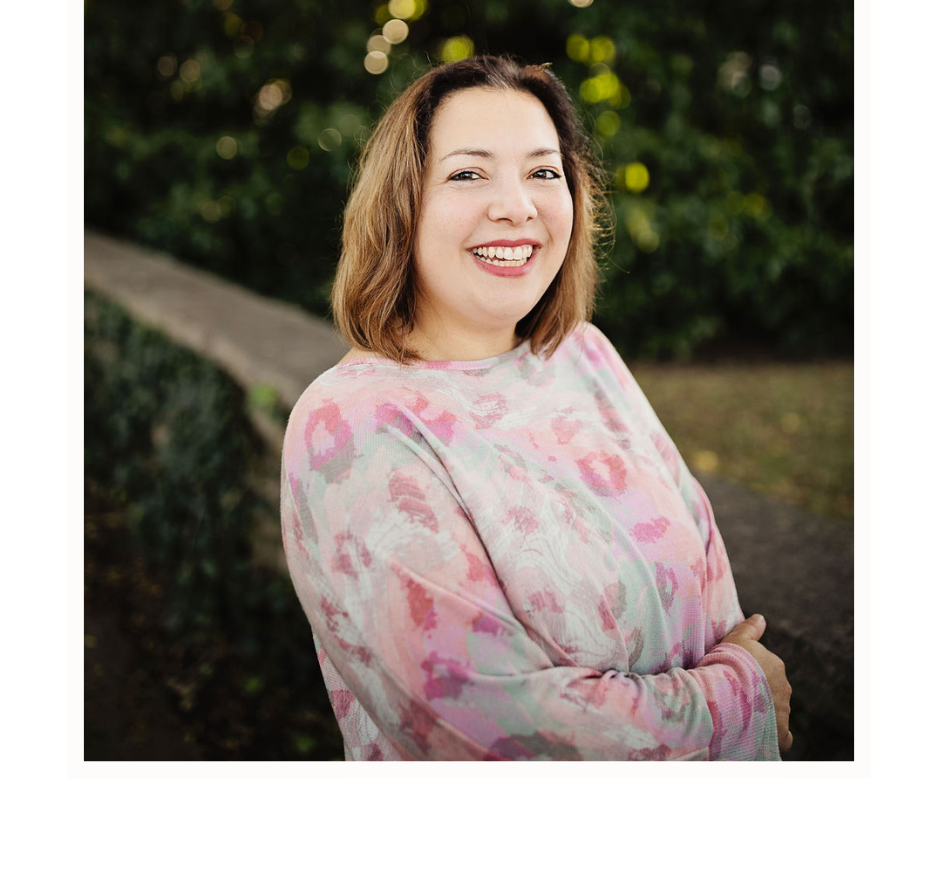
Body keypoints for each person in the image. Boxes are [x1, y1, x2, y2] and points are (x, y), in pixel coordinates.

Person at [281, 55, 793, 761]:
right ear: (403, 201)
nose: (516, 205)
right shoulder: (351, 428)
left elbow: (711, 587)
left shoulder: (582, 355)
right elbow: (484, 729)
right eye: (468, 172)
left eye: (543, 171)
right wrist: (738, 698)